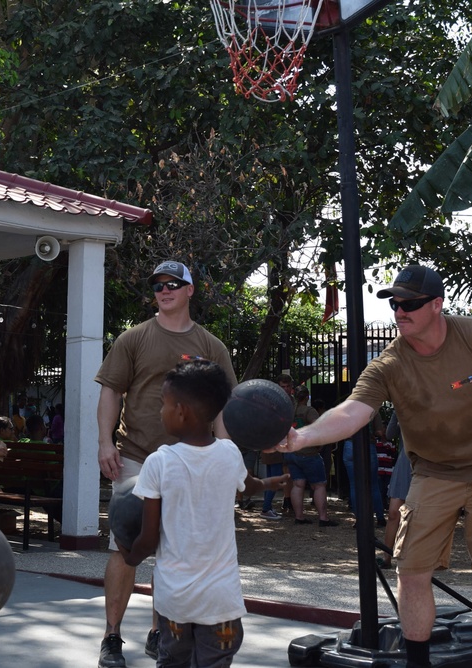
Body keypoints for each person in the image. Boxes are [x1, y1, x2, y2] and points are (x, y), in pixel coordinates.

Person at [278, 265, 472, 668]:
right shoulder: (390, 363)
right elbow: (353, 411)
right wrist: (302, 437)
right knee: (411, 571)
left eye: (410, 304)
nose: (400, 311)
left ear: (437, 305)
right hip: (433, 472)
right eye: (395, 303)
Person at [95, 260, 237, 668]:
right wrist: (105, 443)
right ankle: (112, 637)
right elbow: (110, 394)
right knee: (126, 548)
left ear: (191, 290)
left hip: (191, 463)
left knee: (174, 553)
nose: (164, 289)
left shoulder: (212, 346)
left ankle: (161, 633)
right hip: (137, 457)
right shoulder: (133, 339)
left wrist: (226, 456)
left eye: (174, 283)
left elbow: (224, 407)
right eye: (157, 284)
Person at [122, 359, 286, 667]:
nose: (161, 412)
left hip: (176, 602)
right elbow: (246, 485)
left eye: (163, 404)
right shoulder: (229, 453)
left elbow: (149, 536)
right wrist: (267, 483)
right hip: (221, 602)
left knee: (173, 661)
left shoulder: (160, 462)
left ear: (181, 411)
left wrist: (130, 557)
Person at [260, 376, 295, 520]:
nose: (285, 389)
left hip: (275, 441)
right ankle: (266, 508)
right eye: (283, 386)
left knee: (271, 478)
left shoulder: (287, 400)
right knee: (275, 478)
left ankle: (267, 507)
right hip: (273, 443)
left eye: (287, 386)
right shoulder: (274, 401)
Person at [380, 411, 411, 569]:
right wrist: (396, 411)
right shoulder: (401, 405)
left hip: (427, 463)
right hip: (405, 461)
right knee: (393, 512)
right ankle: (387, 556)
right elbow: (389, 434)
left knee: (420, 515)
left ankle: (415, 558)